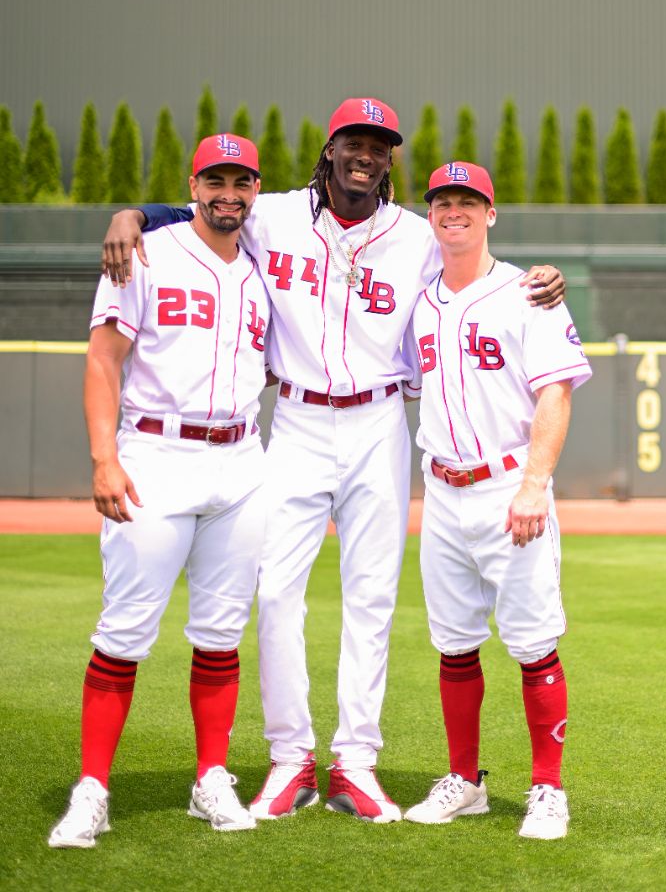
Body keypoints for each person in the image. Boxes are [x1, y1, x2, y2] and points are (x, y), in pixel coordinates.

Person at [100, 99, 566, 824]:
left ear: (389, 160)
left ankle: (356, 761)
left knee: (371, 596)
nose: (366, 155)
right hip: (297, 418)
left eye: (380, 146)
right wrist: (134, 213)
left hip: (380, 418)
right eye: (355, 140)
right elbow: (205, 211)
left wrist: (544, 274)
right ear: (330, 148)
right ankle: (292, 759)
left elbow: (483, 262)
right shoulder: (274, 214)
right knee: (277, 590)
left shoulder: (416, 235)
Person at [49, 134, 270, 848]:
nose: (228, 194)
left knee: (220, 633)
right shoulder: (144, 252)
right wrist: (103, 459)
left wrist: (129, 211)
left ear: (256, 190)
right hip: (156, 451)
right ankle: (92, 791)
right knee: (124, 633)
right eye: (216, 180)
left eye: (241, 181)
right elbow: (103, 361)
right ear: (192, 184)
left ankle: (211, 777)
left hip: (239, 458)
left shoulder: (263, 267)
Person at [403, 162, 592, 839]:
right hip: (444, 491)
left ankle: (548, 788)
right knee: (454, 645)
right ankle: (466, 780)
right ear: (431, 215)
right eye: (444, 201)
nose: (455, 210)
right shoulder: (420, 302)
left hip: (509, 486)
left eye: (468, 200)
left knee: (534, 644)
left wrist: (535, 484)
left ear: (491, 212)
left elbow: (556, 393)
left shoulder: (528, 293)